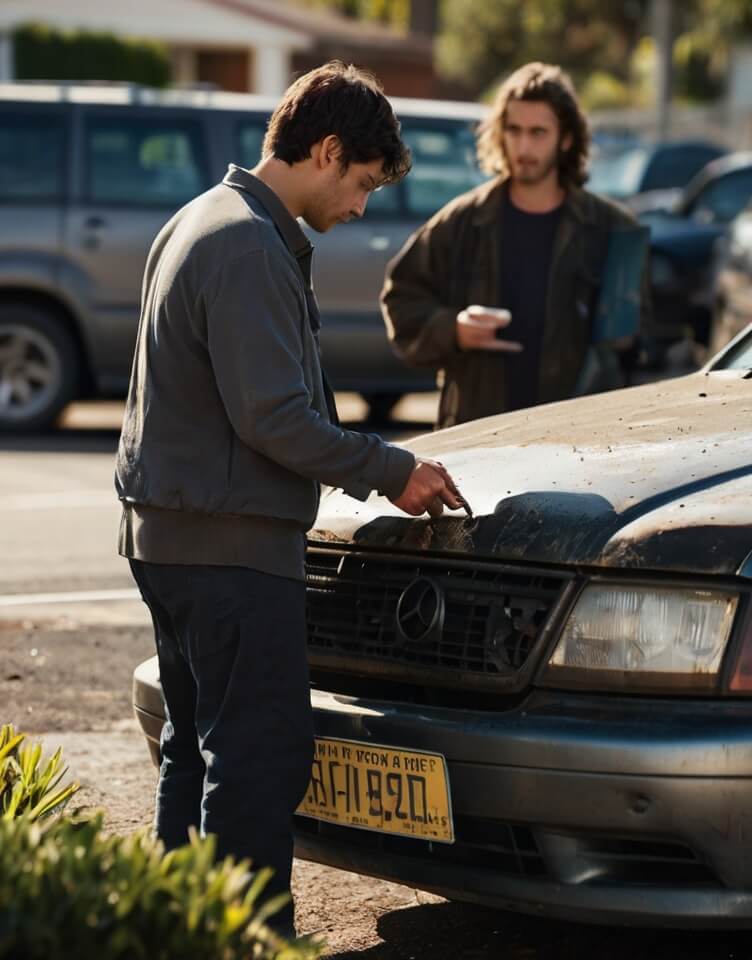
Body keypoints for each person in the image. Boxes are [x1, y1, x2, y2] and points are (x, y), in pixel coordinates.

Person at [114, 62, 465, 937]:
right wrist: (392, 469)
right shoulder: (246, 243)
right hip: (230, 551)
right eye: (362, 183)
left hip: (170, 539)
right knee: (258, 756)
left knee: (196, 754)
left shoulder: (199, 218)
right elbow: (273, 417)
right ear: (328, 149)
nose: (361, 208)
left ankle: (186, 934)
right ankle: (246, 943)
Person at [381, 61, 647, 429]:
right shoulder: (463, 221)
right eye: (514, 130)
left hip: (579, 437)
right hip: (479, 433)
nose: (524, 146)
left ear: (565, 138)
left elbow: (645, 350)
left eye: (538, 132)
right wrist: (454, 329)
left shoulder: (611, 229)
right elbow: (401, 301)